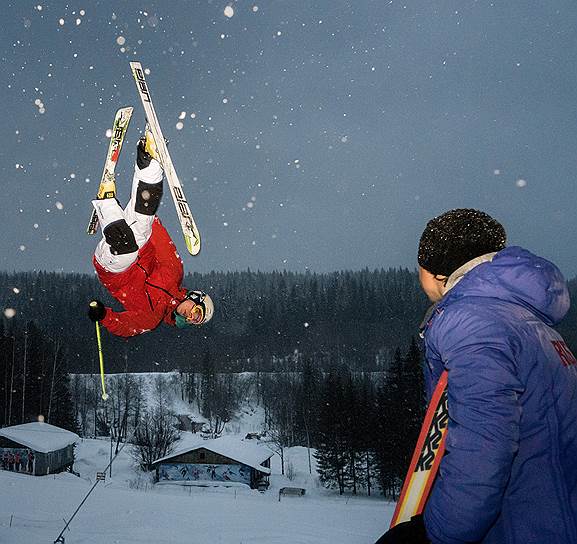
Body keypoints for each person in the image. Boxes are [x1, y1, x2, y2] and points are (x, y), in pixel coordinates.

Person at [376, 209, 577, 543]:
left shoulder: (470, 322)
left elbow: (483, 447)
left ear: (434, 273)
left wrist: (437, 533)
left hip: (523, 526)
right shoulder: (529, 320)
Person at [88, 132, 214, 337]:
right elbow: (158, 236)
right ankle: (149, 158)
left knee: (126, 249)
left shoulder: (151, 318)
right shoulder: (174, 271)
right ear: (196, 298)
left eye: (195, 321)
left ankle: (106, 204)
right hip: (140, 245)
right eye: (197, 312)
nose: (191, 317)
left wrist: (103, 316)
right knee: (145, 217)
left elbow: (125, 326)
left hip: (115, 271)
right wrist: (142, 216)